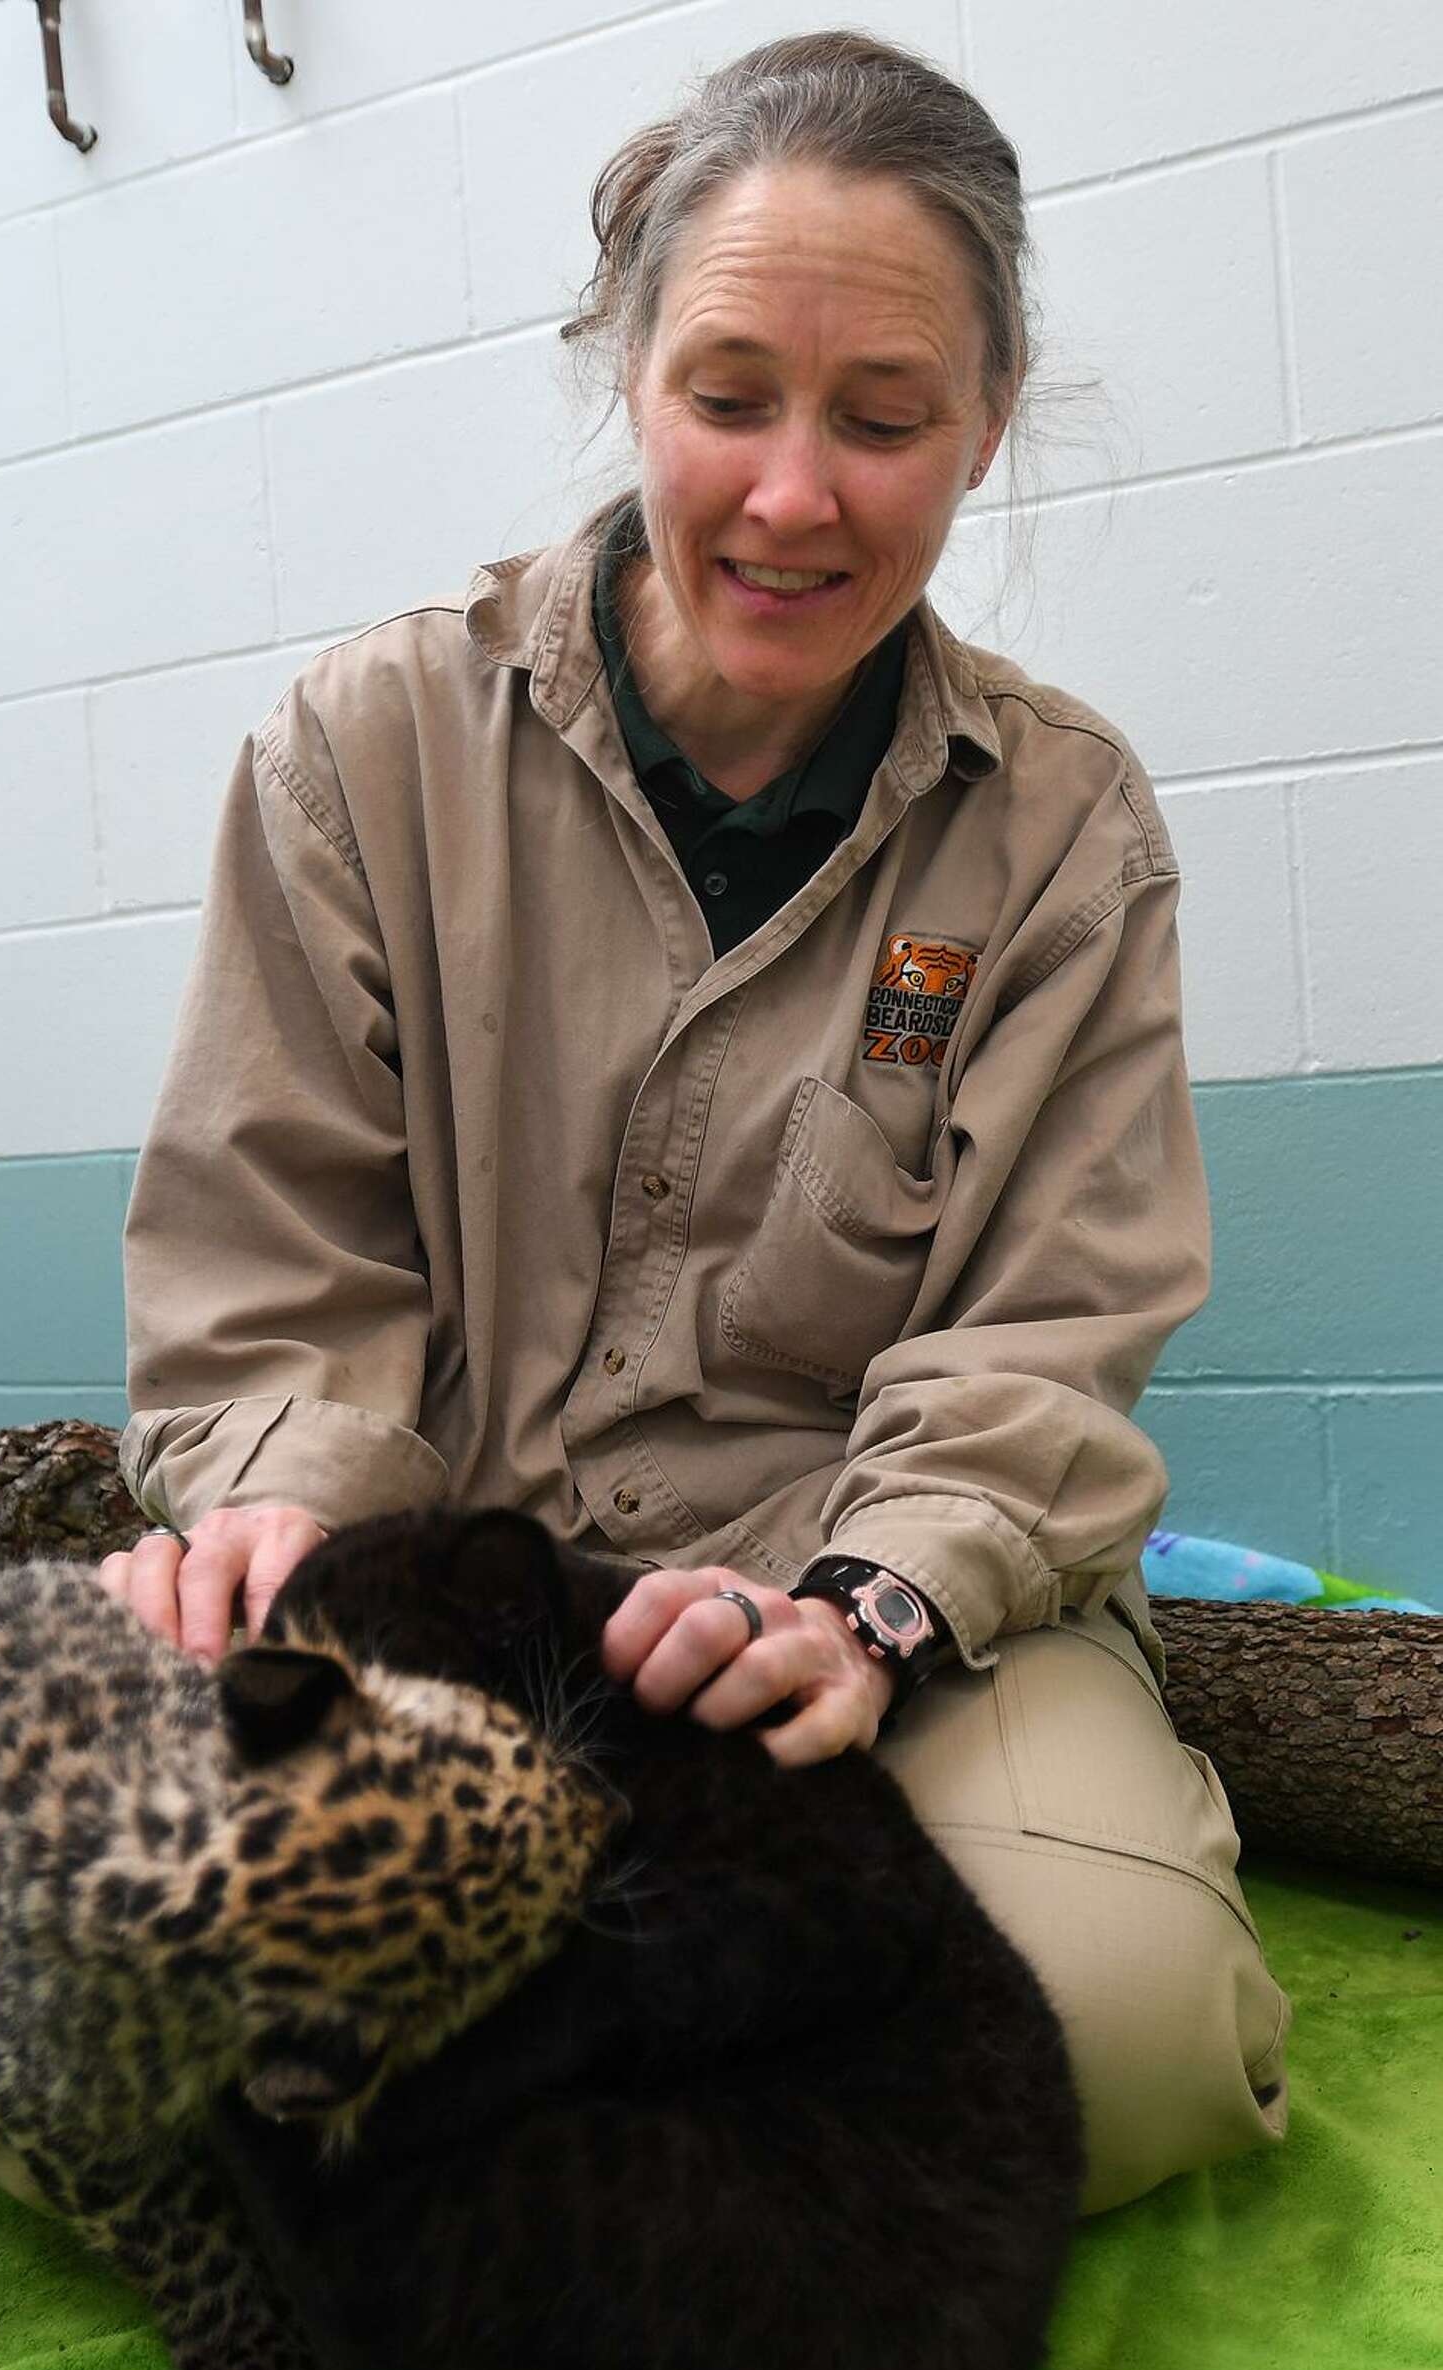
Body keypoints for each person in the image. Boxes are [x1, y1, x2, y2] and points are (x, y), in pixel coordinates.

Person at [102, 31, 1290, 2214]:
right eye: (729, 396)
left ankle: (481, 2128)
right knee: (80, 1989)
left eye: (886, 417)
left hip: (863, 1633)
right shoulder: (363, 750)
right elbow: (276, 1273)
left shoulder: (1063, 831)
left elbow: (1040, 1345)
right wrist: (288, 1515)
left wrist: (871, 1606)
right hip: (444, 1586)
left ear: (989, 428)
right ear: (628, 372)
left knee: (1129, 2032)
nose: (793, 494)